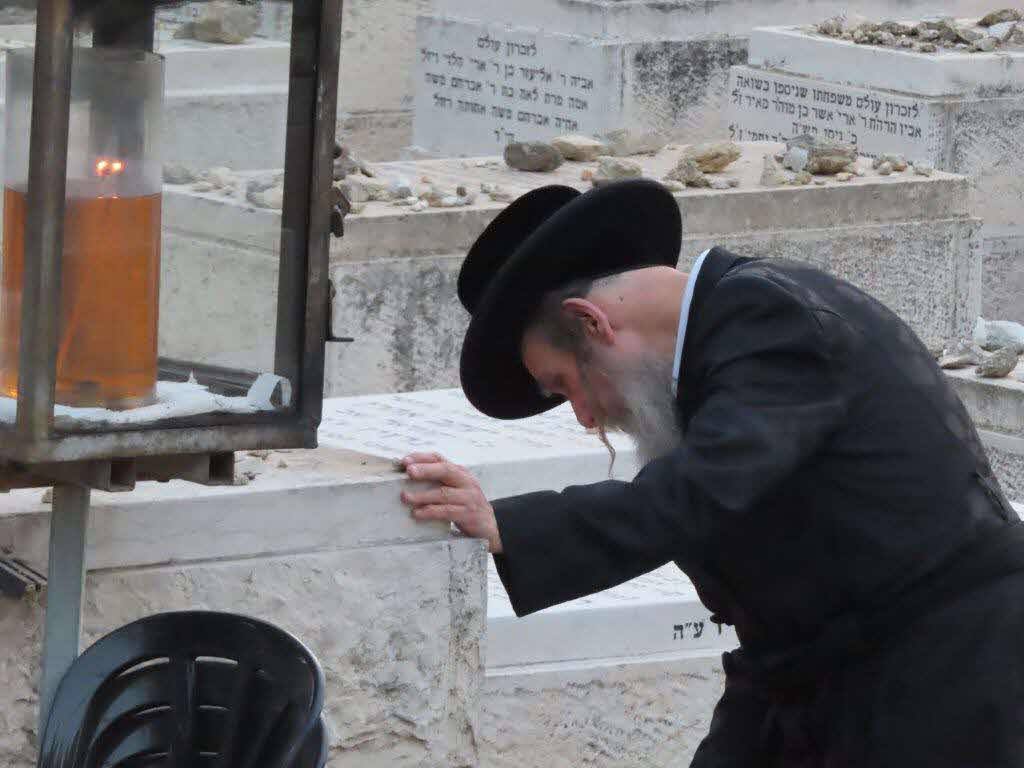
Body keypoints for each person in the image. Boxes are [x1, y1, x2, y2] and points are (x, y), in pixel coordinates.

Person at [398, 180, 1024, 766]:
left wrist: (508, 524)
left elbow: (702, 490)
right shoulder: (721, 344)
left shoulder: (774, 319)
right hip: (815, 673)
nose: (586, 416)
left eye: (565, 385)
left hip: (947, 675)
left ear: (592, 321)